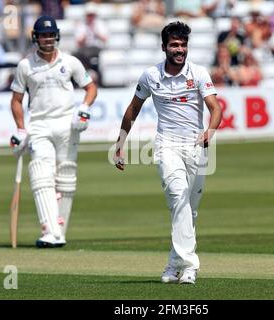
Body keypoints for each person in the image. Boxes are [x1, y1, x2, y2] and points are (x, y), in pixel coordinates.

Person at [113, 21, 222, 284]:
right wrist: (120, 144)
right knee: (177, 195)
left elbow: (215, 108)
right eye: (174, 44)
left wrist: (210, 131)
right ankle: (190, 266)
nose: (179, 49)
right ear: (164, 47)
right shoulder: (151, 76)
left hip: (196, 146)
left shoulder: (198, 73)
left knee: (187, 209)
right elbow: (133, 109)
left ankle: (174, 264)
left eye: (183, 45)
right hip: (166, 145)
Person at [10, 16, 97, 248]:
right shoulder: (25, 65)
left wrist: (84, 109)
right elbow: (16, 101)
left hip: (67, 125)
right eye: (42, 35)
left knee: (66, 177)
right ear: (35, 38)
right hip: (39, 126)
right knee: (41, 175)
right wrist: (20, 128)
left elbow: (90, 88)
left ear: (56, 36)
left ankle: (59, 232)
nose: (47, 39)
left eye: (50, 35)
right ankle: (50, 231)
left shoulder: (70, 62)